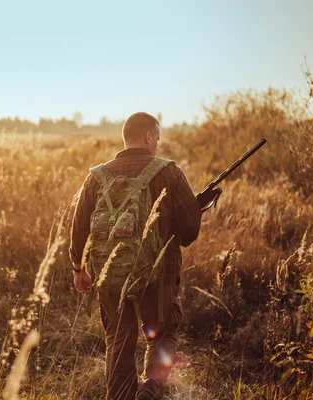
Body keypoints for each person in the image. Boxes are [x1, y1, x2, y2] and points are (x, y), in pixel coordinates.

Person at [69, 112, 212, 400]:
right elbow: (188, 233)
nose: (157, 144)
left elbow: (79, 226)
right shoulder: (169, 172)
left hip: (111, 279)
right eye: (157, 138)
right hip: (157, 276)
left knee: (118, 343)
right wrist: (192, 211)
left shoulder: (96, 177)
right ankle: (149, 391)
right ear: (148, 137)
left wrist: (78, 268)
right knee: (162, 337)